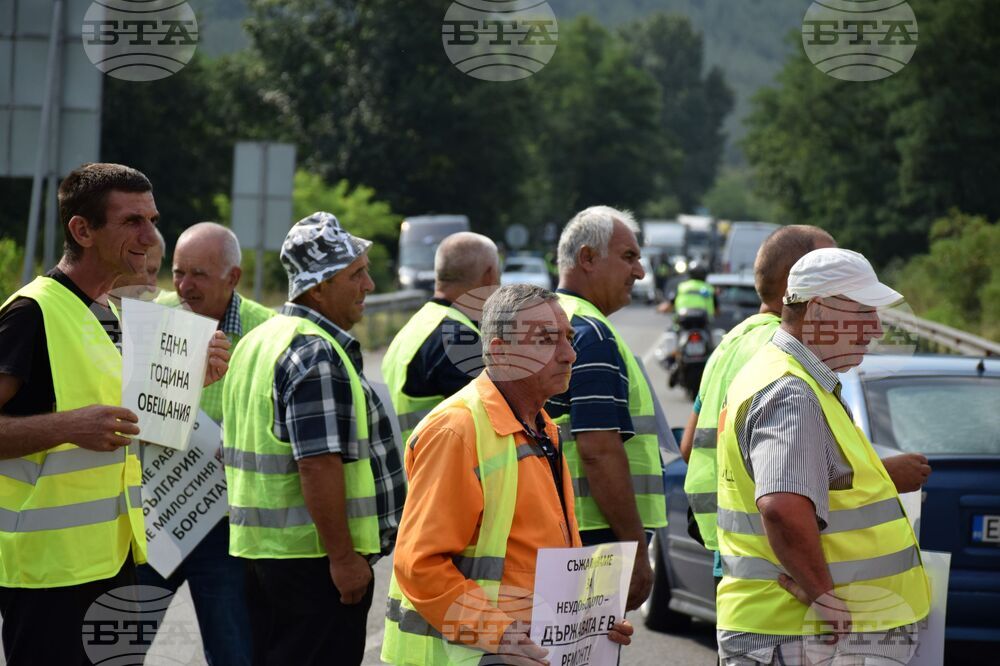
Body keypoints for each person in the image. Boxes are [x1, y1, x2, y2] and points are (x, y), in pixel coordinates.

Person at [0, 162, 230, 665]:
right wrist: (68, 427)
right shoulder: (31, 312)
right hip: (49, 573)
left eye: (152, 219)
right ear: (81, 230)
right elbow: (83, 422)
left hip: (115, 560)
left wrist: (189, 381)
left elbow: (128, 421)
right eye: (132, 221)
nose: (151, 237)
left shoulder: (110, 311)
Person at [382, 284, 633, 665]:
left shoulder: (541, 426)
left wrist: (590, 621)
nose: (569, 354)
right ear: (500, 352)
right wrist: (500, 634)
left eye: (567, 338)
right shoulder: (457, 429)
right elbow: (419, 565)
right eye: (547, 340)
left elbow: (539, 555)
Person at [680, 226, 931, 586]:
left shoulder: (734, 341)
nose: (875, 329)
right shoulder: (787, 367)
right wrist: (884, 476)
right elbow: (784, 494)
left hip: (739, 547)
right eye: (862, 312)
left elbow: (691, 446)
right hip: (774, 561)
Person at [715, 248, 931, 665]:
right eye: (863, 313)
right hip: (807, 636)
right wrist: (824, 599)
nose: (874, 329)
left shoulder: (787, 376)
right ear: (817, 312)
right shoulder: (791, 390)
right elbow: (781, 506)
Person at [221, 211, 406, 666]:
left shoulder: (259, 340)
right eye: (357, 274)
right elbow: (317, 464)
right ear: (319, 286)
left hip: (265, 557)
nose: (369, 286)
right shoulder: (315, 351)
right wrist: (343, 559)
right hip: (314, 563)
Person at [135, 222, 274, 665]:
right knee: (114, 644)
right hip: (156, 513)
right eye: (177, 273)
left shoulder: (265, 333)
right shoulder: (152, 324)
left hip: (225, 524)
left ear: (233, 277)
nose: (183, 286)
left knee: (233, 650)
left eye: (198, 274)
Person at [546, 205, 666, 612]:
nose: (640, 272)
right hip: (595, 538)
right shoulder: (591, 332)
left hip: (560, 532)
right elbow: (597, 449)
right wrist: (634, 549)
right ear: (588, 259)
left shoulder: (547, 321)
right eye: (629, 257)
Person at [382, 231, 499, 442]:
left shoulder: (415, 327)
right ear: (490, 275)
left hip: (414, 467)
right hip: (448, 471)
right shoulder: (458, 340)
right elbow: (501, 417)